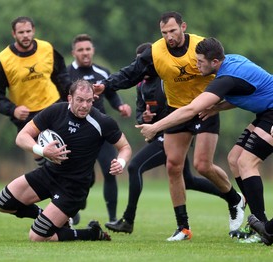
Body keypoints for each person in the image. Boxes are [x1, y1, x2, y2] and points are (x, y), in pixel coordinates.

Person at [93, 11, 245, 241]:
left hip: (205, 109)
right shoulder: (155, 51)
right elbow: (132, 73)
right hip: (177, 112)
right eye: (164, 33)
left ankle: (235, 199)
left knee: (202, 165)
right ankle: (183, 228)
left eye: (173, 30)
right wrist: (106, 85)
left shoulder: (200, 46)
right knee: (173, 166)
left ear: (183, 26)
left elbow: (223, 68)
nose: (169, 36)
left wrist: (224, 101)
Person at [139, 37, 273, 244]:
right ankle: (260, 225)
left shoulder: (225, 78)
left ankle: (265, 230)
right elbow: (246, 92)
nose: (196, 64)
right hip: (265, 112)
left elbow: (192, 108)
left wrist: (155, 127)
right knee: (234, 158)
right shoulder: (232, 62)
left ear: (215, 62)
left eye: (200, 61)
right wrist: (218, 107)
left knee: (247, 163)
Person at [105, 42, 223, 234]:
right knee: (189, 180)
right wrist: (144, 118)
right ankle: (234, 197)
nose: (141, 67)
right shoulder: (141, 85)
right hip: (162, 134)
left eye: (144, 63)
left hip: (173, 133)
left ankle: (128, 220)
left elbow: (177, 109)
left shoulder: (167, 78)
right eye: (138, 63)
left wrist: (159, 122)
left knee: (135, 166)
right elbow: (141, 111)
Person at [0, 79, 132, 241]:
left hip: (73, 187)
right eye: (80, 100)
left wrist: (120, 162)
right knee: (3, 202)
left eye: (89, 101)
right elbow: (22, 137)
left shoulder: (102, 122)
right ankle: (50, 218)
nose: (85, 105)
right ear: (70, 98)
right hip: (49, 173)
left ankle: (91, 233)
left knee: (37, 237)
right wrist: (43, 150)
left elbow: (125, 148)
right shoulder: (55, 111)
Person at [0, 16, 71, 166]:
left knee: (66, 154)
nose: (25, 35)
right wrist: (13, 110)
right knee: (46, 161)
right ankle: (50, 186)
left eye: (28, 31)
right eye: (21, 32)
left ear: (33, 31)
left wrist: (70, 96)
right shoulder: (3, 60)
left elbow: (62, 76)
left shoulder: (47, 48)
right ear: (14, 34)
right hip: (27, 115)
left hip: (53, 106)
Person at [67, 33, 131, 224]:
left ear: (93, 50)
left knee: (110, 170)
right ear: (74, 52)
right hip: (76, 132)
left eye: (88, 49)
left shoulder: (102, 72)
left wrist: (120, 106)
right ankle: (72, 209)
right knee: (82, 176)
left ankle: (112, 219)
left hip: (100, 133)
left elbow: (111, 93)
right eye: (80, 50)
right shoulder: (66, 74)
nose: (85, 53)